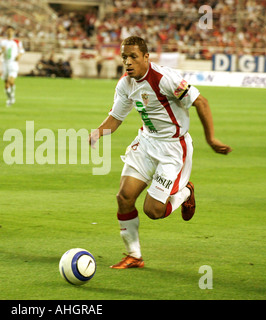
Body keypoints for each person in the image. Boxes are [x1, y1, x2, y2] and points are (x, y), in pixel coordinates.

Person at [88, 36, 232, 269]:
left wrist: (211, 139)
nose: (128, 62)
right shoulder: (125, 84)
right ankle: (133, 255)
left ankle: (185, 192)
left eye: (133, 56)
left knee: (153, 211)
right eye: (124, 57)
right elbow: (116, 118)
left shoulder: (166, 79)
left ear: (146, 57)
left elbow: (201, 102)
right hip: (146, 142)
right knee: (124, 198)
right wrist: (98, 132)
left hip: (173, 148)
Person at [0, 26, 25, 106]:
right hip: (5, 64)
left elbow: (21, 51)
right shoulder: (2, 42)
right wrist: (1, 51)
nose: (9, 32)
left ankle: (12, 95)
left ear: (13, 32)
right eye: (8, 31)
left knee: (11, 81)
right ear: (6, 32)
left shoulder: (17, 41)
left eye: (11, 31)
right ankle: (9, 98)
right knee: (6, 84)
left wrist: (19, 56)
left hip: (13, 63)